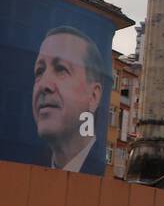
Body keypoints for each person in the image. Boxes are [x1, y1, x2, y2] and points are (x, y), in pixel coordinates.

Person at [32, 26, 108, 172]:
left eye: (61, 69)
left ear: (93, 96)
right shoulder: (29, 168)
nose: (43, 85)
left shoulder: (95, 175)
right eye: (39, 71)